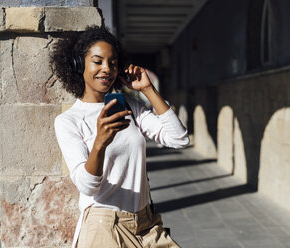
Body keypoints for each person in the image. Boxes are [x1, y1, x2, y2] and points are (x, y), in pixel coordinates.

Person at [50, 26, 189, 248]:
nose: (107, 68)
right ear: (79, 65)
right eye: (98, 61)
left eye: (113, 63)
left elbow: (179, 139)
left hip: (146, 224)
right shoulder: (69, 121)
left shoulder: (130, 108)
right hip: (105, 226)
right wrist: (100, 144)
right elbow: (87, 186)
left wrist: (148, 89)